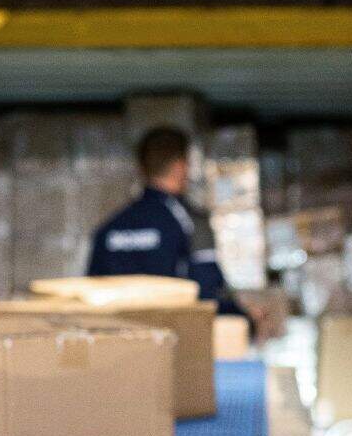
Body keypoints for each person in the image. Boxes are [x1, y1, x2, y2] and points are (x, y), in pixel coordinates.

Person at [86, 126, 251, 323]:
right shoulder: (190, 221)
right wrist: (246, 319)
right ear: (181, 166)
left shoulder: (108, 230)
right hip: (175, 341)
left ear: (142, 168)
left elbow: (89, 294)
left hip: (120, 342)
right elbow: (208, 291)